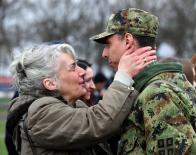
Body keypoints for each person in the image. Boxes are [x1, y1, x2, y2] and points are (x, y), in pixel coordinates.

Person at [5, 42, 156, 154]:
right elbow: (98, 123)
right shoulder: (40, 113)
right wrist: (123, 76)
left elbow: (116, 124)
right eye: (73, 67)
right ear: (50, 83)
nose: (82, 71)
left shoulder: (74, 105)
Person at [91, 8, 196, 154]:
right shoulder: (150, 87)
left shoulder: (157, 95)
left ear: (127, 41)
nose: (104, 54)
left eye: (108, 44)